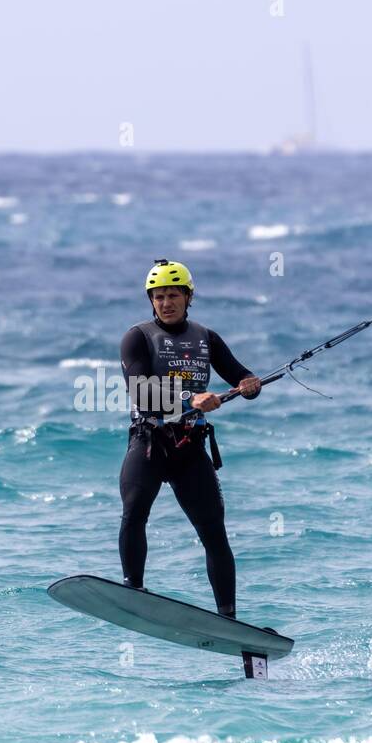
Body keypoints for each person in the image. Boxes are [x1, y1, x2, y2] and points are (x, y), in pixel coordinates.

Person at [118, 259, 261, 619]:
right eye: (159, 296)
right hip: (150, 442)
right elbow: (139, 389)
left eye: (174, 295)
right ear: (151, 299)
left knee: (214, 531)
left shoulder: (206, 337)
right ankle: (133, 587)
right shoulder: (137, 337)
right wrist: (189, 398)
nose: (166, 303)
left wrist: (248, 384)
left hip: (190, 447)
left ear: (188, 297)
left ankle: (228, 617)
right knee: (135, 513)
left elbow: (238, 374)